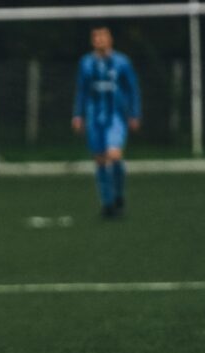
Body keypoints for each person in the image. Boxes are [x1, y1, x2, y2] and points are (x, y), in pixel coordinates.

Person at [72, 24, 140, 218]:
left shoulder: (122, 62)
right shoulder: (85, 63)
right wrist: (78, 115)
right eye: (96, 37)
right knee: (100, 160)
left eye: (103, 36)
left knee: (115, 155)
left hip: (116, 116)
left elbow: (133, 88)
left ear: (110, 39)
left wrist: (134, 113)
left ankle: (118, 194)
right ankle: (107, 204)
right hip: (94, 117)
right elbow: (82, 91)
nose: (99, 40)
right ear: (92, 40)